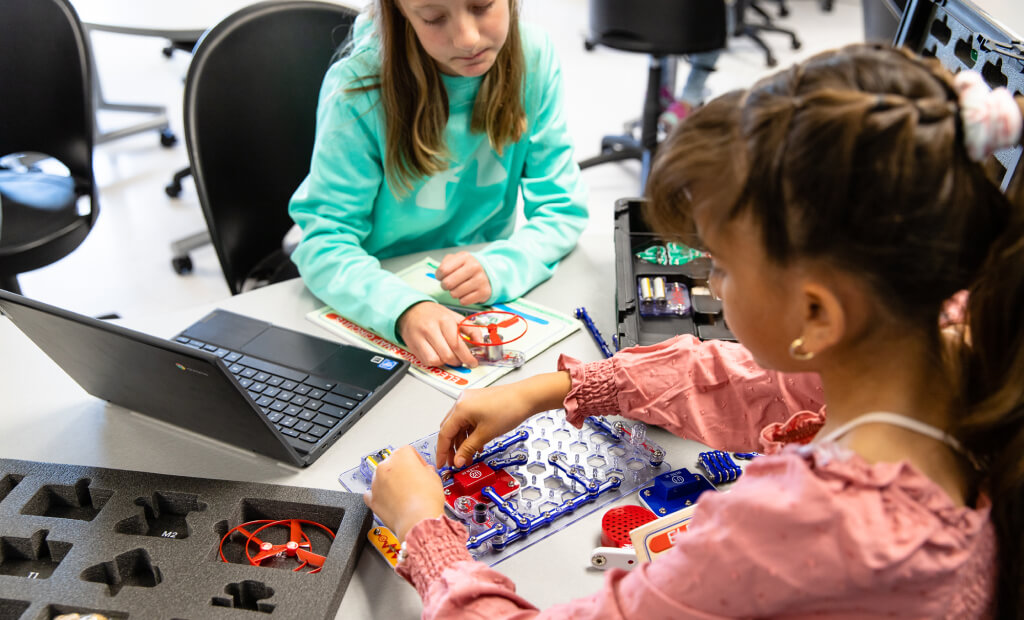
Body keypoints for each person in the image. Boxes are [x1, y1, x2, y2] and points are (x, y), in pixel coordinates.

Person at [365, 43, 1024, 617]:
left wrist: (427, 532)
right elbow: (761, 384)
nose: (709, 285)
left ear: (818, 315)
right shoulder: (957, 344)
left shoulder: (802, 526)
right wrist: (554, 389)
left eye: (721, 267)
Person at [289, 0, 588, 369]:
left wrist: (502, 267)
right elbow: (323, 242)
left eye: (481, 6)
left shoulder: (533, 57)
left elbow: (563, 209)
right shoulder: (358, 87)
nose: (467, 39)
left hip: (482, 299)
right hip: (375, 287)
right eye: (433, 18)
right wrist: (404, 309)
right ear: (401, 13)